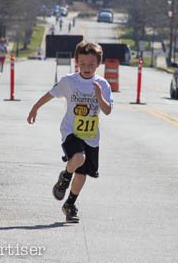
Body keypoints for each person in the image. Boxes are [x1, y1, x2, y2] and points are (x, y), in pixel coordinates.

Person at [27, 41, 113, 223]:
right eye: (82, 63)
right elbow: (51, 94)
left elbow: (107, 110)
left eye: (91, 64)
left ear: (98, 64)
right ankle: (65, 177)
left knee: (82, 174)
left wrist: (99, 96)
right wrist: (35, 107)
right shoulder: (69, 81)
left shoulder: (102, 84)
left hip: (91, 136)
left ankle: (70, 204)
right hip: (71, 131)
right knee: (78, 158)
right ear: (76, 63)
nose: (87, 67)